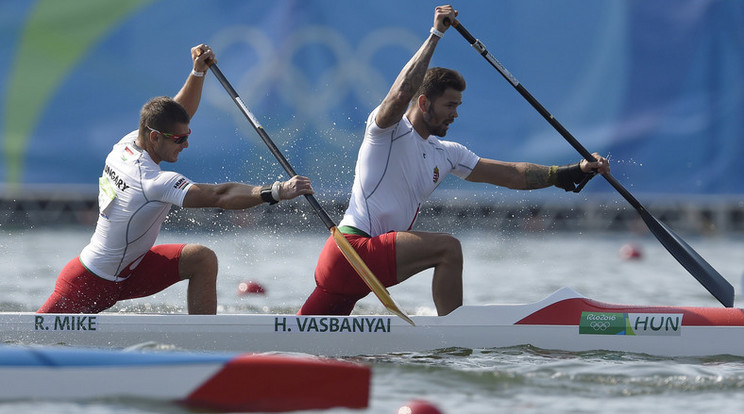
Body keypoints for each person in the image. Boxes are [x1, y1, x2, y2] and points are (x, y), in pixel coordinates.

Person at [298, 5, 610, 317]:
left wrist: (570, 172)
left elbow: (514, 174)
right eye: (450, 105)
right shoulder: (386, 131)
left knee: (315, 350)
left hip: (357, 269)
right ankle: (453, 336)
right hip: (353, 252)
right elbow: (399, 94)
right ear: (423, 103)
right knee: (448, 249)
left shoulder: (447, 153)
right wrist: (435, 35)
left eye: (458, 105)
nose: (455, 114)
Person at [38, 44, 314, 314]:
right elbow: (219, 195)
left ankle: (204, 346)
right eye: (180, 140)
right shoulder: (153, 181)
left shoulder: (129, 142)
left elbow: (175, 112)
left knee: (201, 259)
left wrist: (198, 73)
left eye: (188, 136)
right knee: (31, 343)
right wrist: (276, 191)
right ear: (155, 137)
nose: (185, 145)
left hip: (129, 273)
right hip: (88, 282)